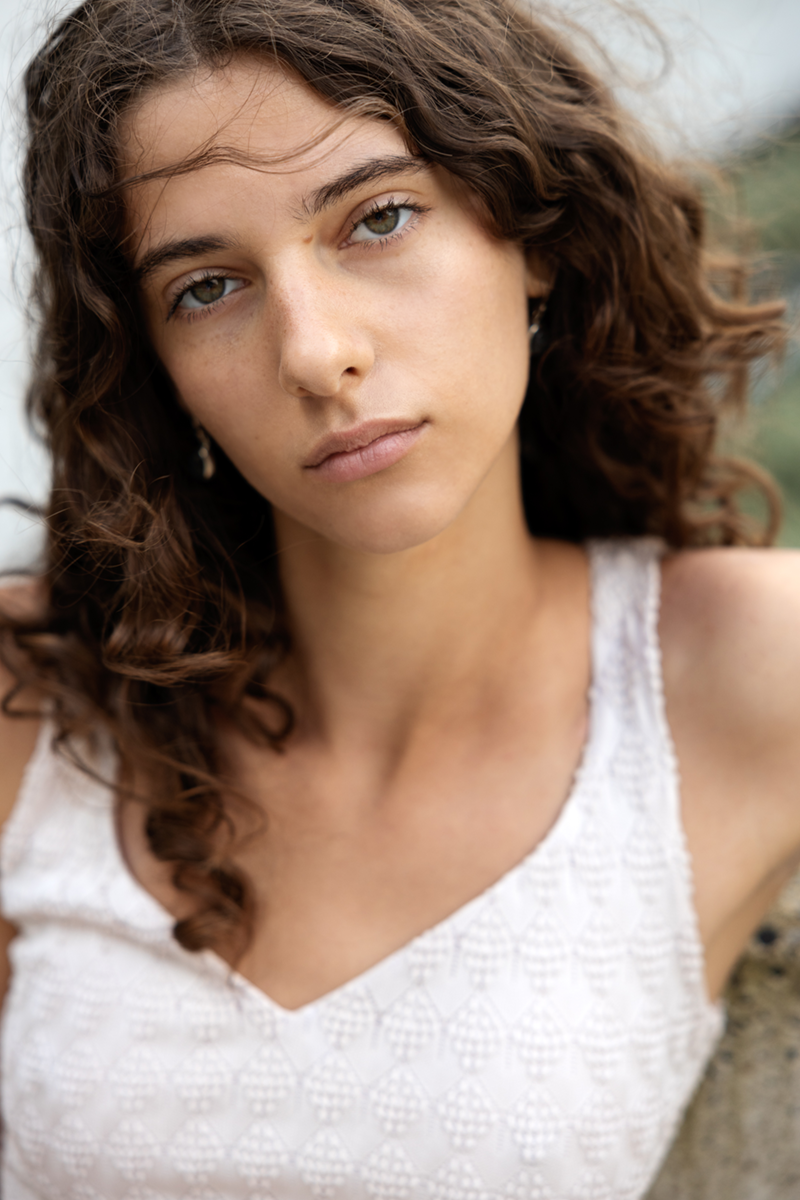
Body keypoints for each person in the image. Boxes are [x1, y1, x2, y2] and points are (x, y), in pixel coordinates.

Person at [0, 0, 797, 1196]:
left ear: (533, 231)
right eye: (207, 287)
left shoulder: (744, 668)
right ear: (157, 369)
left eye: (376, 218)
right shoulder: (38, 701)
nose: (315, 353)